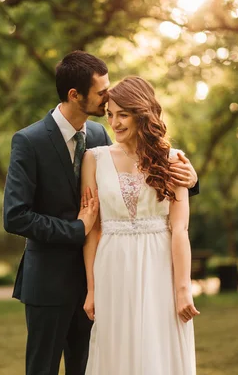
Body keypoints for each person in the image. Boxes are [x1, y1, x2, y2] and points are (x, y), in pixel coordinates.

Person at [3, 51, 198, 375]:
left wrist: (190, 181)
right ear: (75, 95)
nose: (109, 100)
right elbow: (16, 216)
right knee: (43, 368)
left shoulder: (97, 136)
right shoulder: (29, 140)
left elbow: (133, 176)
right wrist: (77, 229)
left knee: (92, 365)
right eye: (102, 93)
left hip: (104, 276)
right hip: (50, 280)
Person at [81, 76, 199, 375]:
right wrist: (91, 289)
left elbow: (180, 230)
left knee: (158, 346)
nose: (115, 122)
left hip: (160, 265)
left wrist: (183, 288)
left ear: (142, 113)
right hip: (112, 265)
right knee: (116, 347)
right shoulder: (93, 159)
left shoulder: (172, 160)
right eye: (110, 114)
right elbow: (93, 229)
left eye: (123, 114)